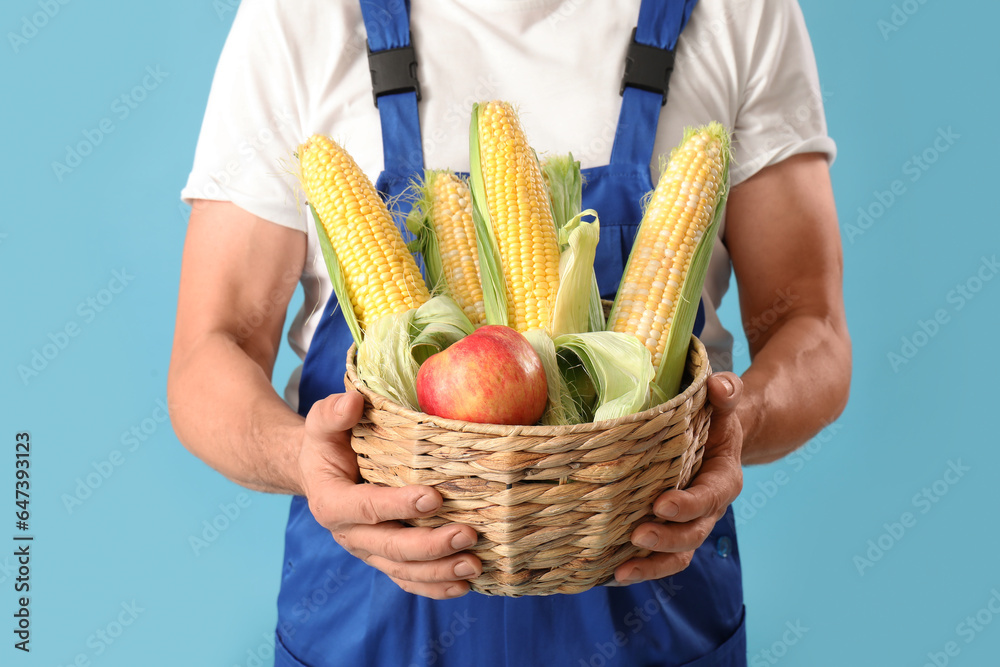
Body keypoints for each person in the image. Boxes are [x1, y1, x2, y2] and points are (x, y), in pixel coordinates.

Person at [169, 0, 851, 664]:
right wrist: (303, 461)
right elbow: (211, 351)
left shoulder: (738, 10)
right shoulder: (300, 16)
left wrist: (735, 424)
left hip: (648, 602)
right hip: (371, 619)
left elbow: (810, 327)